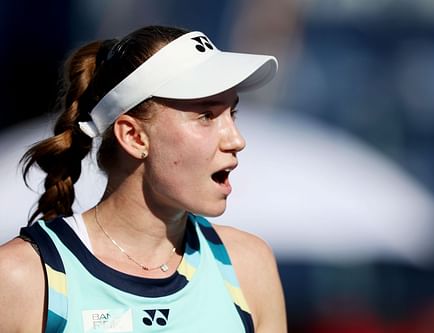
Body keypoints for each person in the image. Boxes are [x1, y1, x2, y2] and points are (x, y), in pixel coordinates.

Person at [0, 25, 286, 332]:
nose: (237, 140)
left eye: (233, 113)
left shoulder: (248, 265)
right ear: (134, 137)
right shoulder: (22, 276)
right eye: (206, 115)